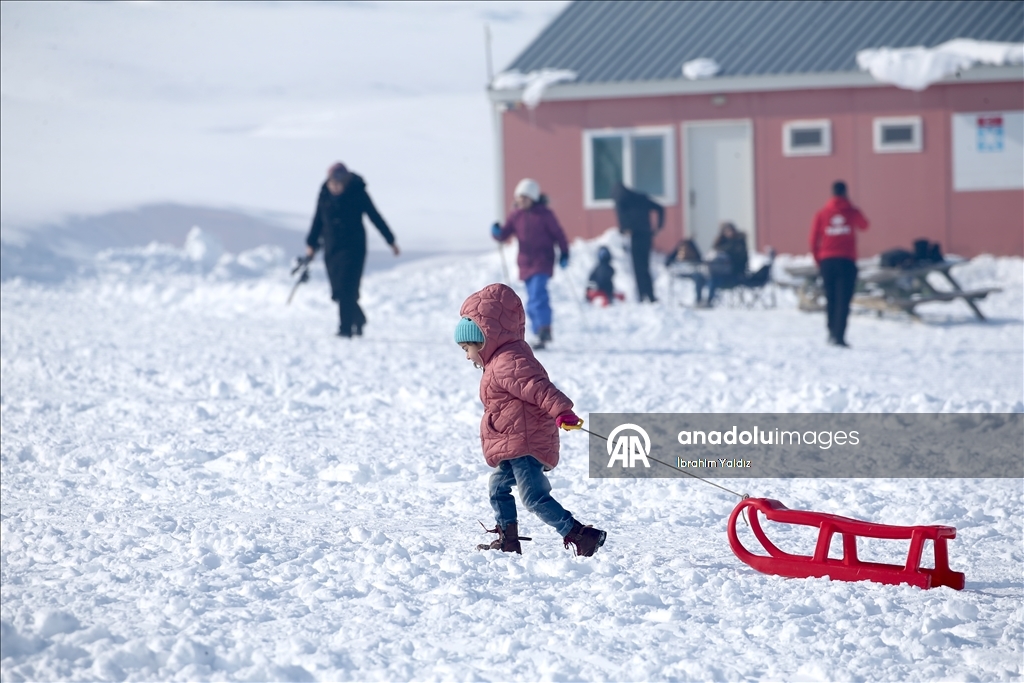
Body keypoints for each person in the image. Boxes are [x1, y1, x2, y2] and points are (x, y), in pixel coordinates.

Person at [456, 283, 607, 557]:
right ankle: (508, 540)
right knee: (498, 488)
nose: (467, 356)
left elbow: (539, 388)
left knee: (534, 497)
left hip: (524, 443)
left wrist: (561, 411)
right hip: (513, 443)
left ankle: (581, 535)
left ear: (483, 339)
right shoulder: (499, 362)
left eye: (467, 348)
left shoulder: (509, 362)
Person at [305, 162, 399, 337]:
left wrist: (390, 240)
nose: (335, 187)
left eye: (338, 183)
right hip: (331, 248)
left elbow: (375, 216)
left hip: (353, 248)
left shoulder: (357, 193)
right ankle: (359, 318)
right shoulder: (324, 194)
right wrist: (311, 243)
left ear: (346, 182)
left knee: (346, 288)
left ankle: (345, 329)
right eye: (332, 183)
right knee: (337, 291)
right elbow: (317, 220)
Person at [492, 178, 569, 350]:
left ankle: (544, 329)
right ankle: (539, 334)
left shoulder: (544, 215)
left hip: (543, 260)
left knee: (537, 295)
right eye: (519, 197)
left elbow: (559, 234)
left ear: (533, 198)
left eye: (525, 197)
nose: (521, 201)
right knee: (530, 302)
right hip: (525, 263)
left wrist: (565, 253)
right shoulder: (516, 215)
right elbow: (504, 234)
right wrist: (497, 232)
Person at [809, 181, 869, 347]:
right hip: (846, 261)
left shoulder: (822, 213)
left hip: (827, 261)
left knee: (831, 298)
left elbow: (813, 239)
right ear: (845, 193)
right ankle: (839, 335)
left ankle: (831, 331)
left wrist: (818, 259)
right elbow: (865, 225)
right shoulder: (851, 211)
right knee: (844, 299)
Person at [612, 181, 664, 303]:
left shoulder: (621, 201)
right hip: (646, 236)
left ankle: (643, 296)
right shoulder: (641, 198)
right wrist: (658, 227)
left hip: (635, 236)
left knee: (638, 268)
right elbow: (660, 208)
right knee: (645, 267)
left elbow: (622, 218)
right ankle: (649, 295)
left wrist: (624, 229)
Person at [707, 222, 749, 305]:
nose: (730, 233)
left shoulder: (739, 242)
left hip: (735, 275)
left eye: (731, 230)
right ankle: (699, 300)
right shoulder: (721, 242)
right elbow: (713, 253)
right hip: (720, 272)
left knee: (714, 280)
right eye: (727, 231)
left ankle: (709, 301)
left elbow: (739, 256)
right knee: (700, 277)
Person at [665, 238, 707, 305]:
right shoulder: (677, 255)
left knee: (699, 279)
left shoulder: (693, 253)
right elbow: (667, 262)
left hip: (691, 273)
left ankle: (698, 299)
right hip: (680, 272)